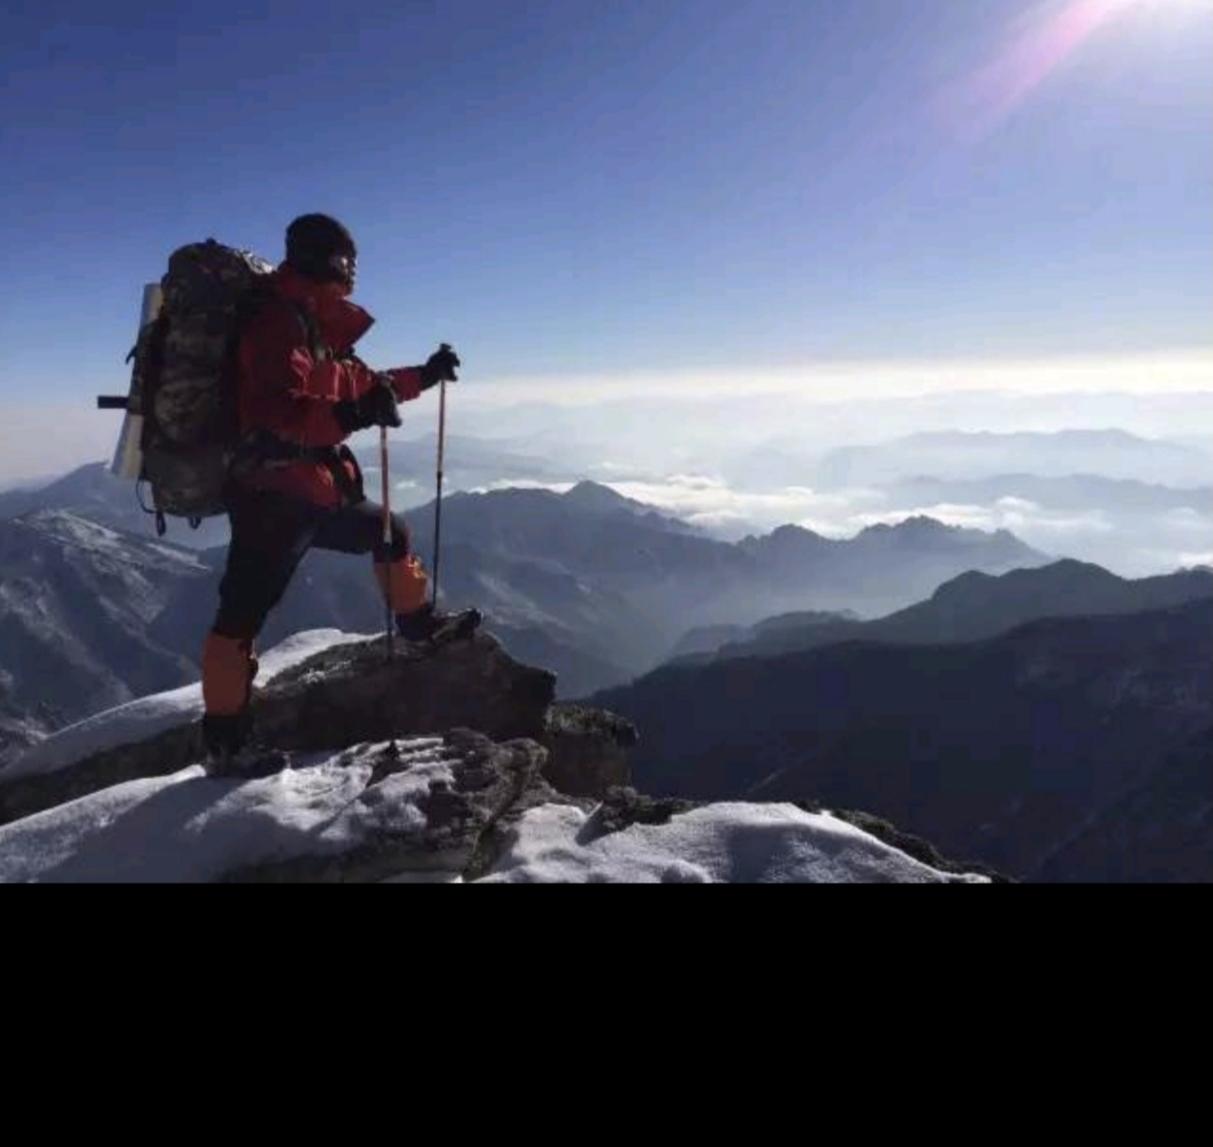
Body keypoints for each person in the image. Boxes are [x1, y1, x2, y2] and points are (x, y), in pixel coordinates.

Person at [200, 213, 473, 771]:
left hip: (317, 491)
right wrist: (350, 414)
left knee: (390, 531)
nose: (354, 275)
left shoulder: (315, 326)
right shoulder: (278, 323)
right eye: (350, 264)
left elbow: (368, 386)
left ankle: (419, 624)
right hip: (271, 496)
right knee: (241, 614)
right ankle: (226, 742)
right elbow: (276, 416)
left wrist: (425, 374)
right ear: (336, 263)